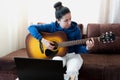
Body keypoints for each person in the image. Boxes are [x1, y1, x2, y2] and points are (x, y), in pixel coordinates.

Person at [28, 1, 94, 80]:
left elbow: (78, 48)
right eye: (66, 20)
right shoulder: (52, 27)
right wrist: (43, 40)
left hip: (73, 55)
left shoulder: (76, 29)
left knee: (72, 72)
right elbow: (31, 27)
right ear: (58, 20)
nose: (69, 22)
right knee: (53, 68)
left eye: (70, 19)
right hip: (58, 55)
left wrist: (87, 48)